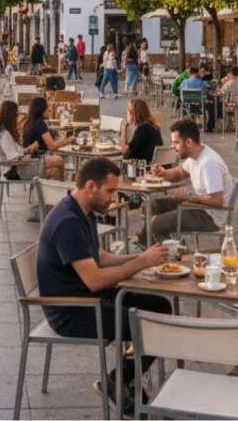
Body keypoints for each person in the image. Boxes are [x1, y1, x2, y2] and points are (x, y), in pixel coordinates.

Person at [36, 157, 172, 417]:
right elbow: (94, 279)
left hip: (90, 298)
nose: (114, 197)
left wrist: (139, 257)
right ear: (90, 186)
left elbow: (99, 256)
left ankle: (120, 380)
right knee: (153, 324)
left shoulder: (81, 211)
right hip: (72, 312)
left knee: (160, 307)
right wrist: (142, 262)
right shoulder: (68, 221)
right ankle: (121, 381)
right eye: (110, 191)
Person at [147, 119, 236, 244]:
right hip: (199, 207)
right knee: (151, 205)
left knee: (157, 224)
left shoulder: (209, 163)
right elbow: (180, 172)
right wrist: (164, 174)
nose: (173, 147)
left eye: (176, 143)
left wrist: (189, 197)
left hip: (210, 216)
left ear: (188, 142)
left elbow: (217, 201)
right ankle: (152, 246)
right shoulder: (196, 155)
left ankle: (177, 254)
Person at [22, 96, 74, 181]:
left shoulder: (28, 122)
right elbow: (52, 146)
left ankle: (56, 189)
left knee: (56, 169)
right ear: (42, 111)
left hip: (27, 162)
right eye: (47, 110)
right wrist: (69, 140)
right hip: (33, 162)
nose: (49, 112)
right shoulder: (40, 124)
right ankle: (60, 188)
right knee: (60, 159)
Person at [0, 100, 43, 181]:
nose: (17, 117)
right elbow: (13, 158)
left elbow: (14, 152)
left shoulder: (3, 132)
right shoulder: (4, 135)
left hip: (19, 167)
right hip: (17, 170)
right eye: (16, 114)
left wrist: (27, 150)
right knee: (57, 161)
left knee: (54, 170)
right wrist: (26, 151)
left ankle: (48, 192)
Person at [120, 99, 163, 163]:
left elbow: (123, 150)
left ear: (133, 114)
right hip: (154, 163)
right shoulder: (154, 127)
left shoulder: (141, 130)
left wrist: (124, 128)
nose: (127, 114)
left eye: (128, 111)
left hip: (141, 166)